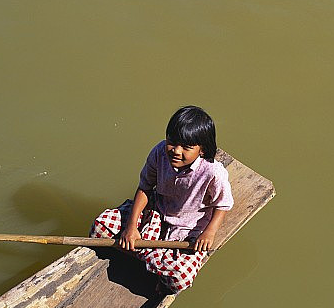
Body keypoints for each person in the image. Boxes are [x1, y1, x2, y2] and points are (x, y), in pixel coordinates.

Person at [89, 105, 234, 294]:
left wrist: (209, 233)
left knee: (180, 279)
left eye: (186, 147)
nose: (176, 151)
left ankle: (147, 260)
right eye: (172, 142)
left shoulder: (213, 172)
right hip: (157, 212)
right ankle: (151, 259)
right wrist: (131, 227)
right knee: (100, 227)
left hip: (187, 228)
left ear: (202, 151)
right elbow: (144, 188)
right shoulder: (159, 152)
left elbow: (222, 204)